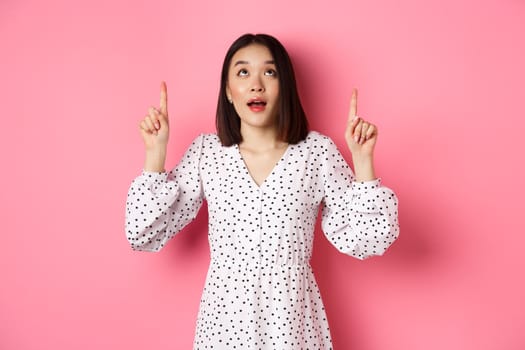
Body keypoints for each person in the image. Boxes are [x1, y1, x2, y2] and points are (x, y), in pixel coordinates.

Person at [125, 33, 399, 349]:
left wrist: (363, 161)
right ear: (228, 91)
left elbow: (370, 239)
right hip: (225, 324)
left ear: (285, 88)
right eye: (243, 72)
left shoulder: (316, 152)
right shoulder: (207, 153)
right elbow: (142, 233)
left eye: (269, 72)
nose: (256, 84)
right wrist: (155, 153)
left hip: (292, 323)